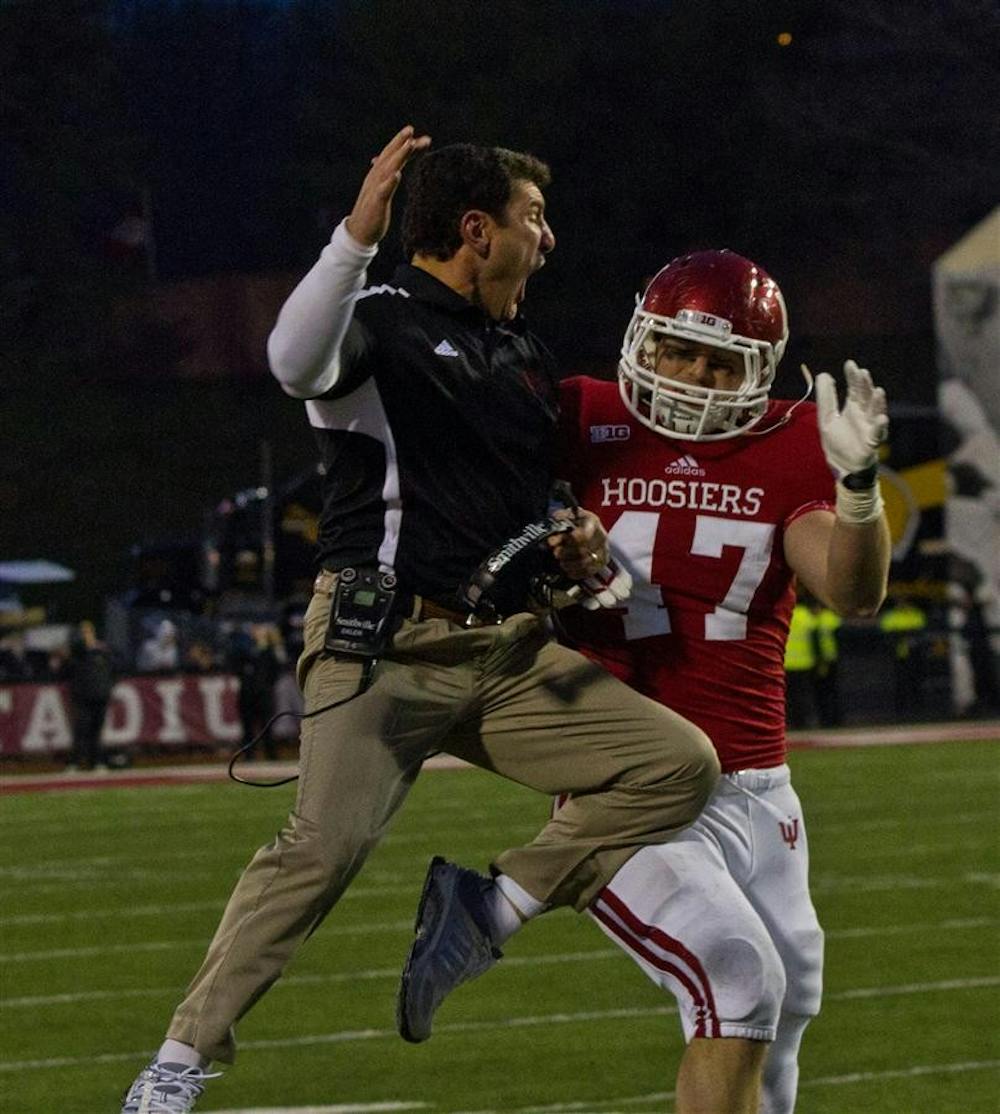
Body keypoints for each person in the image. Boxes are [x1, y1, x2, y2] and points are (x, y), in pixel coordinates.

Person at [120, 127, 719, 1114]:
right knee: (319, 851)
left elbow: (517, 514)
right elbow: (290, 360)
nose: (549, 239)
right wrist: (354, 237)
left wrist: (572, 549)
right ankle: (177, 1063)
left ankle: (485, 909)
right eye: (533, 218)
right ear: (477, 230)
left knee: (678, 763)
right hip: (386, 647)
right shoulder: (379, 324)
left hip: (505, 651)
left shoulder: (519, 352)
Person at [554, 249, 890, 1114]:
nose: (696, 377)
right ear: (644, 343)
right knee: (738, 981)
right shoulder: (580, 417)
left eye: (722, 361)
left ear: (761, 369)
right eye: (679, 352)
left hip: (759, 787)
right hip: (631, 785)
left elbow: (852, 591)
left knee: (791, 998)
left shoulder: (789, 440)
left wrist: (860, 491)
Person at [65, 620, 116, 771]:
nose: (85, 635)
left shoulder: (103, 651)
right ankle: (75, 762)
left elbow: (113, 671)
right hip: (82, 697)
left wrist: (107, 688)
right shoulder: (77, 652)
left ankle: (97, 762)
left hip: (100, 696)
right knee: (81, 730)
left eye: (87, 632)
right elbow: (69, 667)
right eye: (83, 632)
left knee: (97, 731)